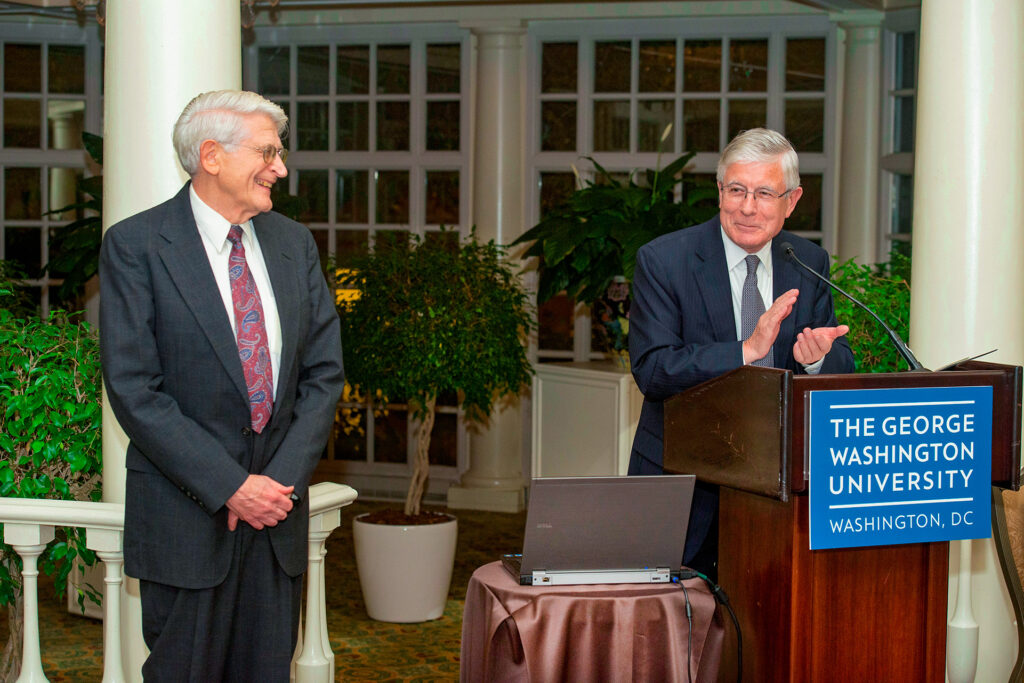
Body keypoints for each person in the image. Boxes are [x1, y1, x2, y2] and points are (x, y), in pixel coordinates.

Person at [100, 90, 345, 681]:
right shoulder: (136, 246)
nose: (280, 168)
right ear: (211, 155)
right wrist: (232, 486)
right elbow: (135, 389)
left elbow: (323, 375)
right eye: (267, 152)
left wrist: (276, 487)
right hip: (186, 523)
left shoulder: (294, 244)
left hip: (275, 522)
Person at [627, 127, 855, 575]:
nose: (747, 207)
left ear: (792, 201)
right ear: (719, 191)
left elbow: (841, 363)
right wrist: (745, 350)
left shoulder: (807, 262)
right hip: (682, 485)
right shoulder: (665, 260)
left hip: (778, 493)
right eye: (736, 190)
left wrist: (816, 359)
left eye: (765, 193)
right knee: (667, 616)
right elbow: (653, 370)